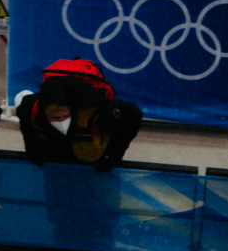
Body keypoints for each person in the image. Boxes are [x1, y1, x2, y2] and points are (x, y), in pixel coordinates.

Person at [14, 59, 144, 172]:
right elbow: (25, 120)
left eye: (65, 116)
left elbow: (134, 115)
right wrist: (32, 152)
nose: (61, 121)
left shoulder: (99, 110)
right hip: (56, 156)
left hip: (95, 161)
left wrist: (114, 157)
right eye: (55, 117)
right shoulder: (31, 106)